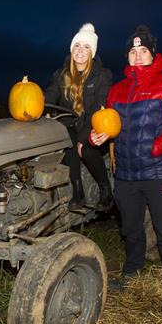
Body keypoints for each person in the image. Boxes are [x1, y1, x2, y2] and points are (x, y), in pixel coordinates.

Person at [90, 25, 162, 310]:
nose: (137, 57)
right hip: (125, 173)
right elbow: (108, 125)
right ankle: (131, 271)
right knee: (131, 229)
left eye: (143, 51)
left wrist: (156, 148)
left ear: (153, 55)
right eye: (133, 52)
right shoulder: (117, 91)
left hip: (158, 173)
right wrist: (97, 136)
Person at [44, 23, 113, 211]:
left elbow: (98, 109)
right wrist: (36, 101)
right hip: (69, 129)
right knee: (66, 137)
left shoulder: (102, 76)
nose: (80, 50)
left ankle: (105, 190)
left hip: (94, 126)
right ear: (71, 49)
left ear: (92, 52)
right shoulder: (60, 75)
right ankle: (77, 190)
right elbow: (50, 96)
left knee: (85, 148)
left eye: (86, 46)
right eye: (77, 45)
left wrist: (84, 136)